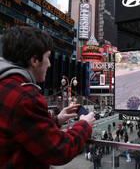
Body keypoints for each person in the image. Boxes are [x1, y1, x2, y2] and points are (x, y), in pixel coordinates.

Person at [0, 26, 95, 168]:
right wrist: (84, 124)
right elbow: (61, 150)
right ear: (34, 60)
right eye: (48, 57)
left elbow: (20, 127)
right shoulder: (25, 97)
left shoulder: (6, 85)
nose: (49, 64)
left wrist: (56, 120)